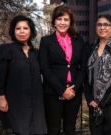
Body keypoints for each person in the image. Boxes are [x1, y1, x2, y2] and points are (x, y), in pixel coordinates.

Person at [39, 5, 86, 135]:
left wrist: (73, 90)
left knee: (70, 128)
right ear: (54, 21)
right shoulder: (46, 41)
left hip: (74, 93)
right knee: (53, 129)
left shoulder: (79, 40)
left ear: (70, 22)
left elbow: (83, 67)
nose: (62, 23)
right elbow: (45, 69)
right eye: (59, 19)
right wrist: (62, 90)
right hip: (52, 93)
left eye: (66, 19)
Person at [0, 15, 46, 135]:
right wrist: (2, 98)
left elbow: (47, 72)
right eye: (18, 28)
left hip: (36, 101)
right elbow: (0, 75)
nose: (22, 31)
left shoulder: (36, 53)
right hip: (17, 101)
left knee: (38, 131)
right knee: (21, 130)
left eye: (25, 28)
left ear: (31, 31)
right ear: (13, 31)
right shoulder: (6, 49)